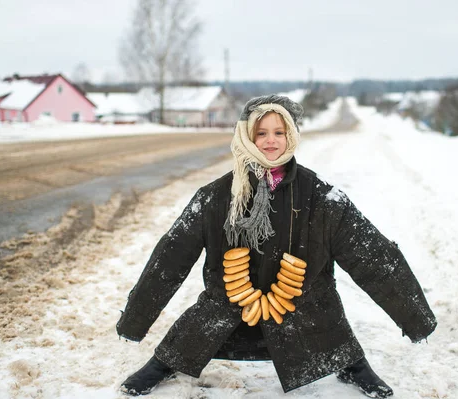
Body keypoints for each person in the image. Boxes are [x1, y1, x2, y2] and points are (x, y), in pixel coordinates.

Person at [116, 95, 437, 397]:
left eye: (279, 132)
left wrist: (415, 318)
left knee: (328, 319)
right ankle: (167, 361)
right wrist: (135, 321)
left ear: (291, 136)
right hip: (229, 307)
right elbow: (169, 259)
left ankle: (351, 364)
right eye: (261, 133)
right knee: (200, 325)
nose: (271, 140)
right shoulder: (215, 197)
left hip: (303, 306)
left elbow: (373, 257)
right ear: (247, 137)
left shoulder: (322, 197)